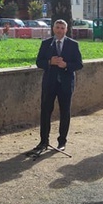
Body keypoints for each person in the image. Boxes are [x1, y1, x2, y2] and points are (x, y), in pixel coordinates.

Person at [31, 19, 84, 153]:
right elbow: (39, 62)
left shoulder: (73, 44)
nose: (60, 30)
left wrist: (66, 65)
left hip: (66, 84)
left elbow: (79, 64)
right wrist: (50, 62)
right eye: (57, 27)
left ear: (66, 30)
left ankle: (62, 142)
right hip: (50, 83)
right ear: (53, 29)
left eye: (62, 28)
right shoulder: (46, 44)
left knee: (65, 112)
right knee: (45, 112)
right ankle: (43, 141)